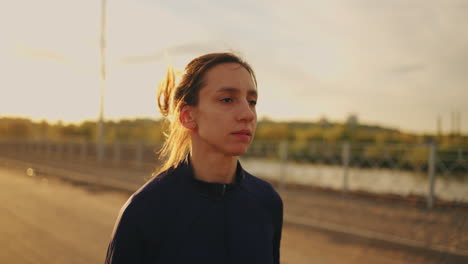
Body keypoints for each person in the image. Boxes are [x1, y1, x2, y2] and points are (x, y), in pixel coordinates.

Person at [105, 52, 283, 264]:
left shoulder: (267, 201)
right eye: (227, 99)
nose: (248, 114)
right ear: (188, 116)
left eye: (252, 101)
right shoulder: (145, 210)